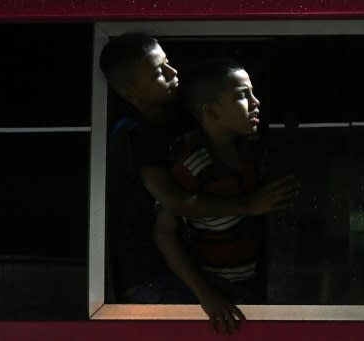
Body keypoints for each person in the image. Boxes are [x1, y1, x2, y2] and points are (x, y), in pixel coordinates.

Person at [99, 33, 298, 303]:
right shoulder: (133, 135)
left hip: (188, 264)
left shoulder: (177, 122)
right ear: (129, 92)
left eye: (168, 62)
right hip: (150, 273)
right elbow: (176, 202)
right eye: (159, 72)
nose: (173, 72)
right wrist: (248, 205)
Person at [154, 59, 278, 334]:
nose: (256, 102)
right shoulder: (192, 166)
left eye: (252, 93)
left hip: (257, 283)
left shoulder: (252, 153)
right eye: (242, 96)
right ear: (211, 113)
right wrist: (205, 296)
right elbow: (164, 234)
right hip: (219, 290)